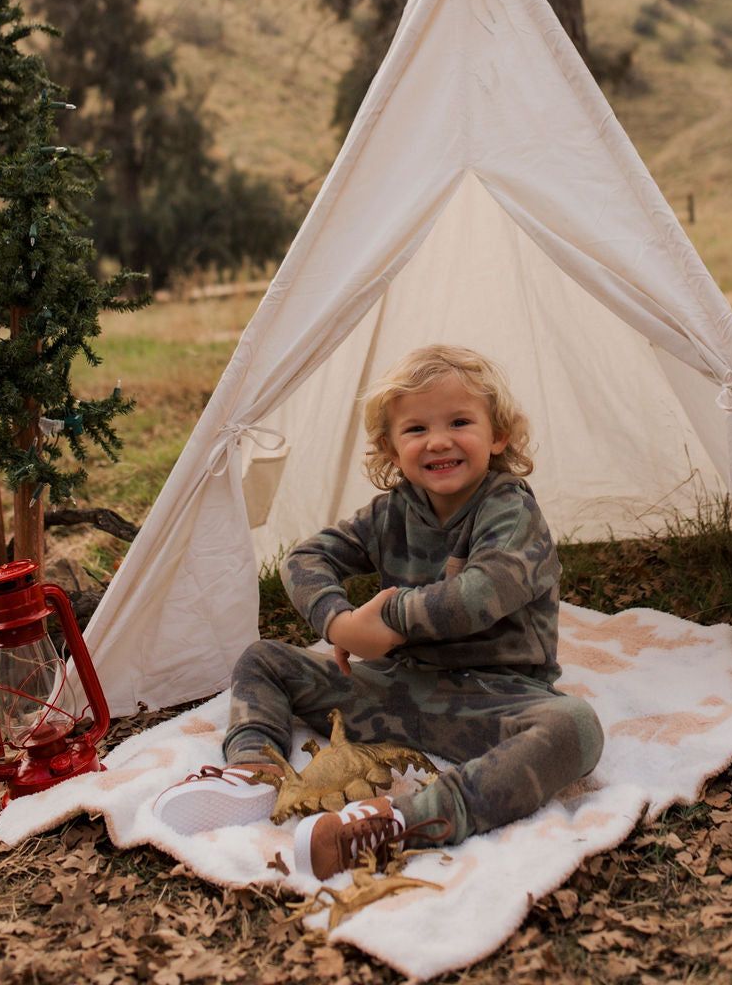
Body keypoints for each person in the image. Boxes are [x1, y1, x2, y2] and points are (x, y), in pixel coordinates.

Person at [153, 344, 604, 879]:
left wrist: (383, 628)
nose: (438, 440)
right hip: (395, 691)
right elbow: (304, 558)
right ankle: (255, 769)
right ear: (391, 450)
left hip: (493, 699)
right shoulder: (393, 511)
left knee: (574, 726)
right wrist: (340, 623)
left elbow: (477, 598)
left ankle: (399, 823)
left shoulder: (510, 510)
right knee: (263, 659)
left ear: (497, 435)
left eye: (460, 421)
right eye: (415, 430)